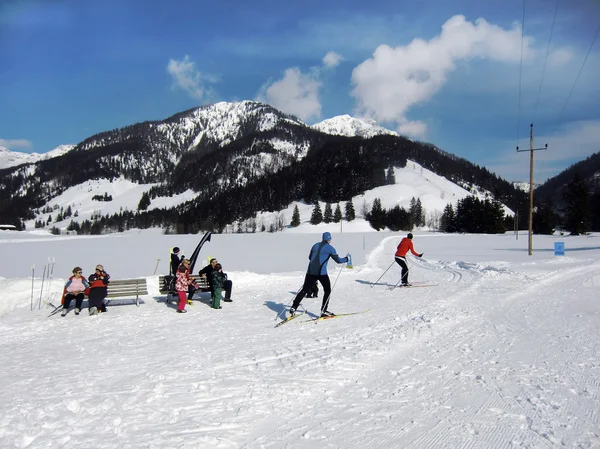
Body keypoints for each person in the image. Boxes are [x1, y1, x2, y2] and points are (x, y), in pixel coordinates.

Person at [289, 232, 349, 318]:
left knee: (304, 290)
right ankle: (323, 310)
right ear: (328, 239)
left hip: (310, 271)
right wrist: (346, 259)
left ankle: (294, 307)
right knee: (327, 290)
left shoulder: (315, 245)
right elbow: (338, 260)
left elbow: (310, 257)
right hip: (321, 273)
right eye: (330, 239)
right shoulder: (330, 248)